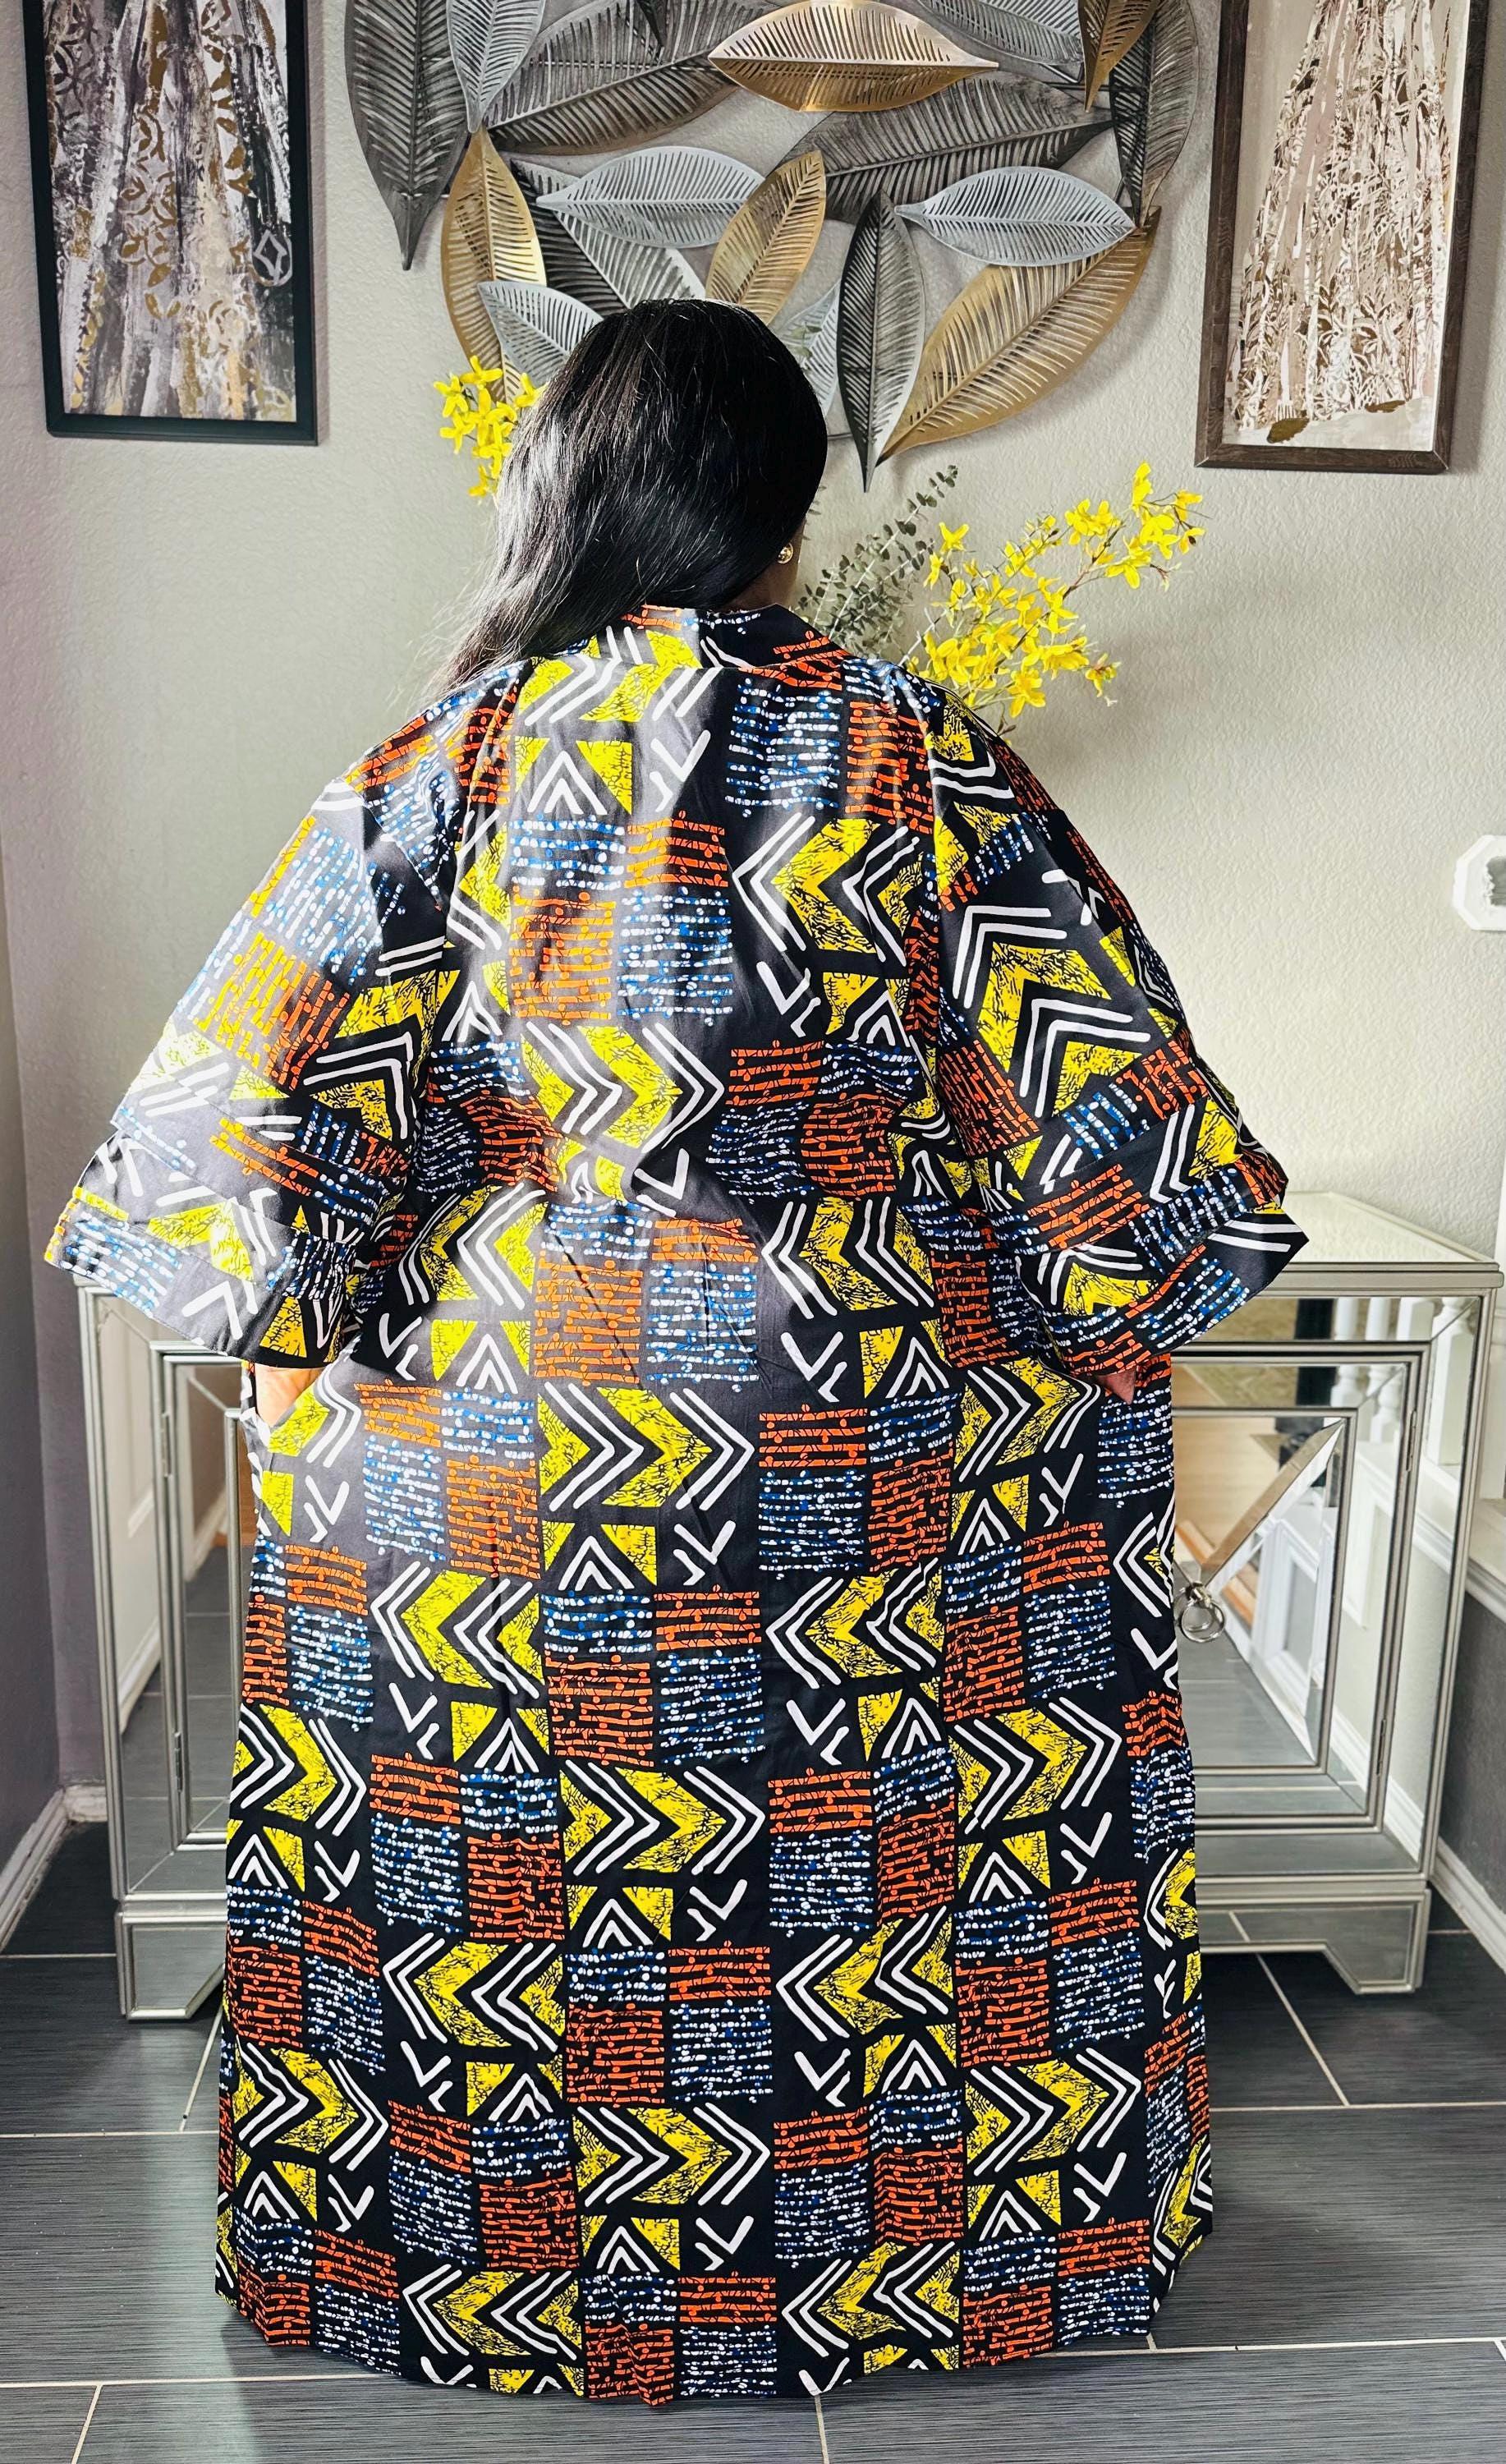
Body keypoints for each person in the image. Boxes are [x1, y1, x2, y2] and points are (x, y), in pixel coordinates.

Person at [48, 299, 1306, 2405]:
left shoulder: (436, 765)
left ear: (562, 496)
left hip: (495, 1478)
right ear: (787, 520)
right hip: (862, 1470)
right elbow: (1113, 1146)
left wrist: (298, 1399)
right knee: (907, 1849)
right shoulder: (916, 758)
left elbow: (242, 1153)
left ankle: (464, 2276)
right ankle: (922, 2274)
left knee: (476, 1851)